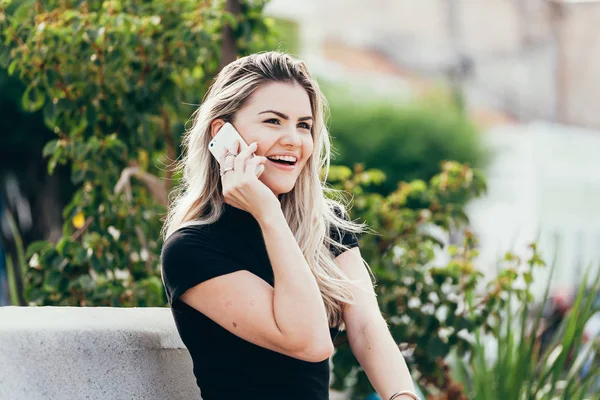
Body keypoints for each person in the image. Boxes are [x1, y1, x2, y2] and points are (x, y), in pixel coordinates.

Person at [160, 51, 418, 400]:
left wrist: (403, 396)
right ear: (223, 135)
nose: (294, 140)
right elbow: (309, 341)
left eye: (304, 125)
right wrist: (268, 212)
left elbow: (367, 328)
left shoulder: (324, 224)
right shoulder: (191, 248)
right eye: (273, 121)